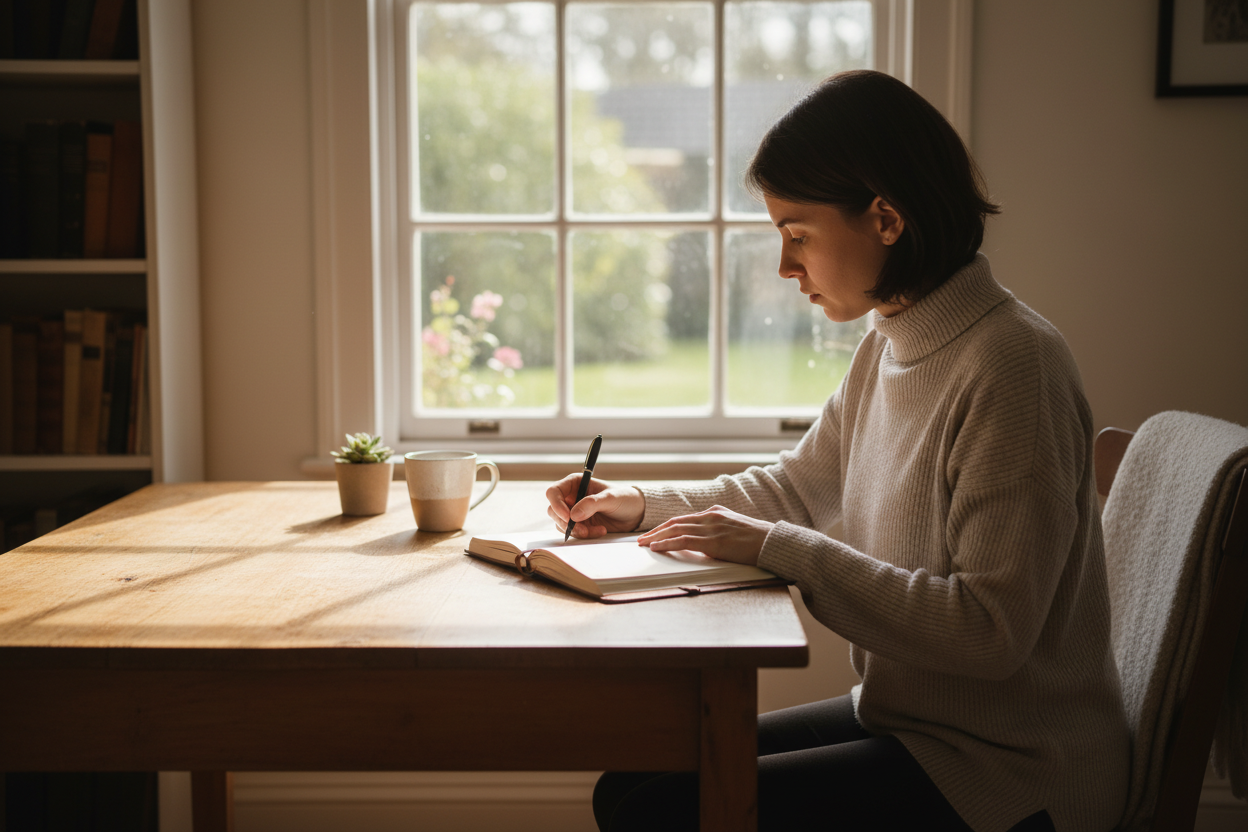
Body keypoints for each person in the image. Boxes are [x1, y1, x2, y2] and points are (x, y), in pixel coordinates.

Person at [546, 70, 1129, 832]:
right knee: (629, 784)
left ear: (886, 217)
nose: (787, 268)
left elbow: (991, 632)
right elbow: (797, 489)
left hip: (1011, 769)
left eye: (797, 234)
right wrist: (641, 504)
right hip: (915, 728)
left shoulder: (1014, 365)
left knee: (661, 812)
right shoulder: (889, 344)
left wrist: (786, 552)